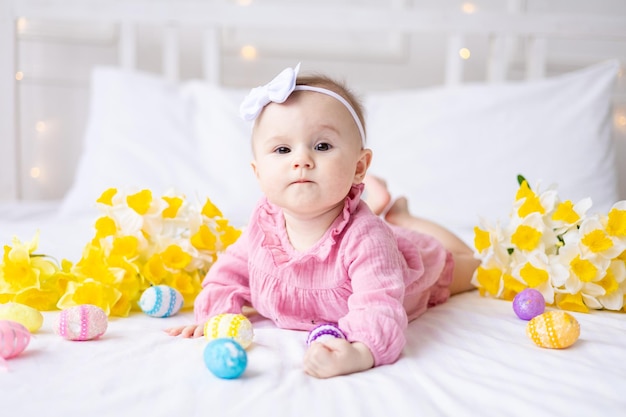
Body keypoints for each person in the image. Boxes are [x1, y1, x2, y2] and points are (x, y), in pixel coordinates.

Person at [166, 63, 479, 378]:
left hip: (412, 265)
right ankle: (394, 214)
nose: (301, 160)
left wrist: (360, 352)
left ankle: (404, 218)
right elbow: (228, 273)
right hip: (382, 242)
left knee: (472, 266)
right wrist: (215, 314)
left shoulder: (367, 239)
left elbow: (379, 305)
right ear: (258, 173)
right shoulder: (264, 225)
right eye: (283, 149)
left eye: (322, 146)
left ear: (359, 167)